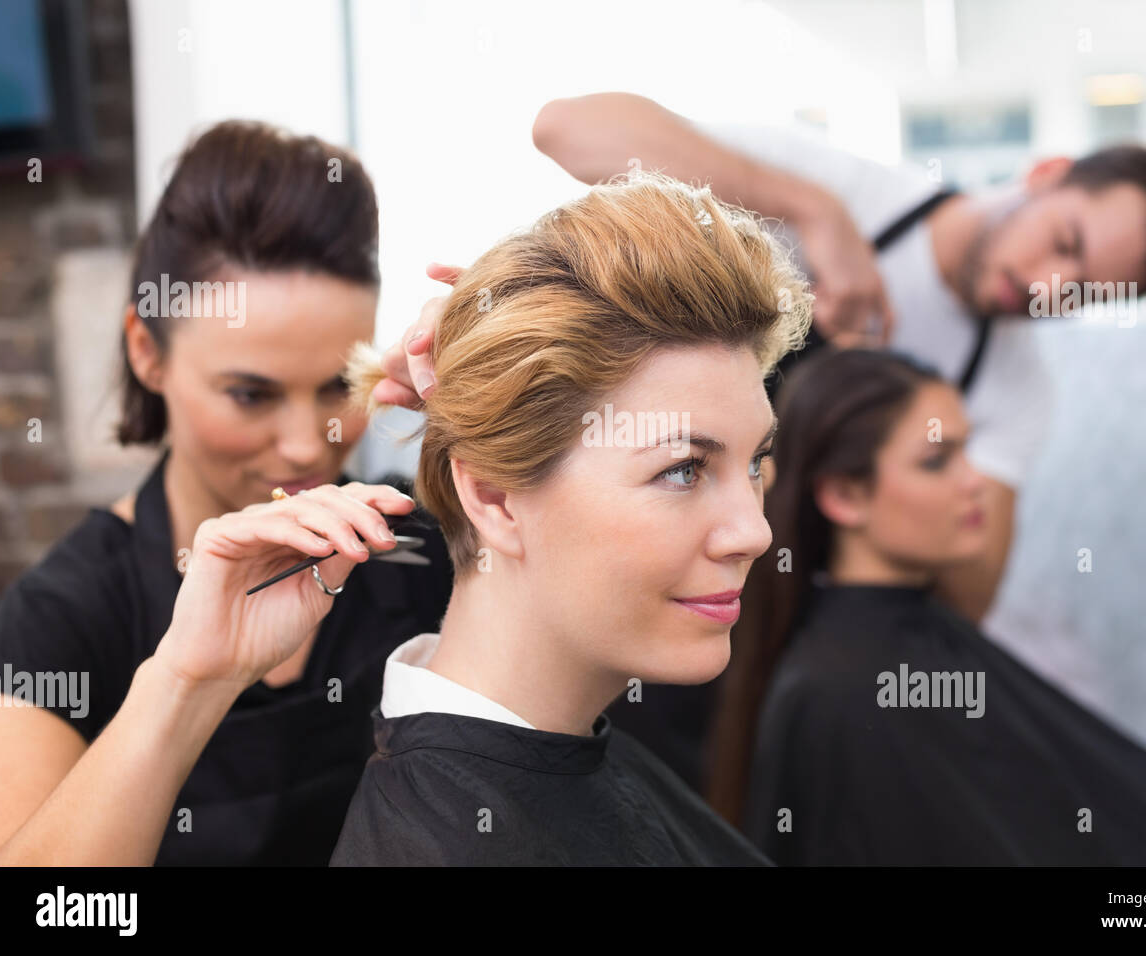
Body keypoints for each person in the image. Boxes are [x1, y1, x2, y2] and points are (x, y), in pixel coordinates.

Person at [533, 91, 1146, 794]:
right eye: (1065, 243)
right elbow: (567, 129)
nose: (1046, 289)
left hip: (742, 651)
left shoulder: (1012, 389)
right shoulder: (842, 193)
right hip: (600, 566)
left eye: (1083, 294)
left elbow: (963, 598)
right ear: (1047, 172)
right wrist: (813, 216)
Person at [0, 121, 454, 865]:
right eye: (249, 394)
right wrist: (186, 683)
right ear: (148, 352)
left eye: (340, 385)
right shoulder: (65, 615)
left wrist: (499, 407)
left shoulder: (425, 549)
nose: (307, 445)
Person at [327, 169, 811, 865]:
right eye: (683, 469)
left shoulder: (574, 742)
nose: (755, 533)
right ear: (493, 496)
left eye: (755, 462)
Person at [708, 346, 1146, 865]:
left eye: (969, 452)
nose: (975, 482)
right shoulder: (845, 691)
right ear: (844, 495)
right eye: (938, 461)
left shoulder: (886, 650)